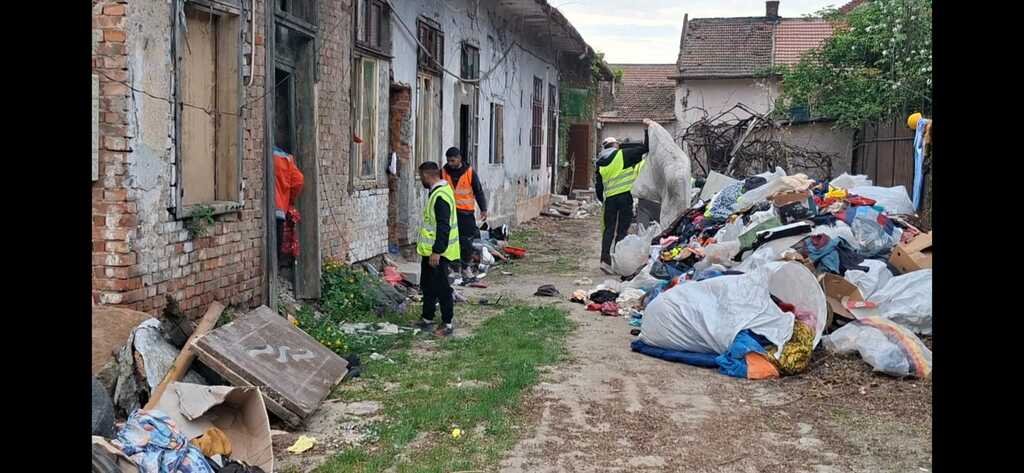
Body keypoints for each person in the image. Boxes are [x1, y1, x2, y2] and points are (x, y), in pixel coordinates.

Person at [595, 120, 652, 274]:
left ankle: (604, 260)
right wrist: (647, 131)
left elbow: (599, 188)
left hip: (610, 200)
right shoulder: (622, 155)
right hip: (625, 198)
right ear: (615, 146)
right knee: (622, 230)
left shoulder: (600, 163)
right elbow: (645, 149)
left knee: (608, 230)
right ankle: (618, 261)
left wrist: (603, 200)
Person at [415, 161, 461, 337]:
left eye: (421, 177)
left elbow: (443, 226)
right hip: (429, 252)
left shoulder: (440, 196)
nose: (421, 180)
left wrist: (437, 251)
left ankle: (447, 323)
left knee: (442, 288)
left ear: (427, 175)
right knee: (428, 286)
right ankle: (427, 318)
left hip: (438, 253)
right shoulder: (439, 192)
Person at [441, 146, 488, 278]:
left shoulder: (469, 172)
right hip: (449, 213)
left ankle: (465, 267)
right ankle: (452, 267)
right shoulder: (443, 172)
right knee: (449, 241)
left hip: (466, 213)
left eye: (453, 160)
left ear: (459, 159)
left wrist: (483, 209)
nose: (450, 163)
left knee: (466, 241)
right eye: (448, 160)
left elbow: (478, 191)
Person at [273, 146, 304, 271]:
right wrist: (289, 200)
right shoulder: (285, 157)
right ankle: (275, 268)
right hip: (279, 208)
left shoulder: (260, 151)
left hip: (261, 211)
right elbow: (298, 181)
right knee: (277, 243)